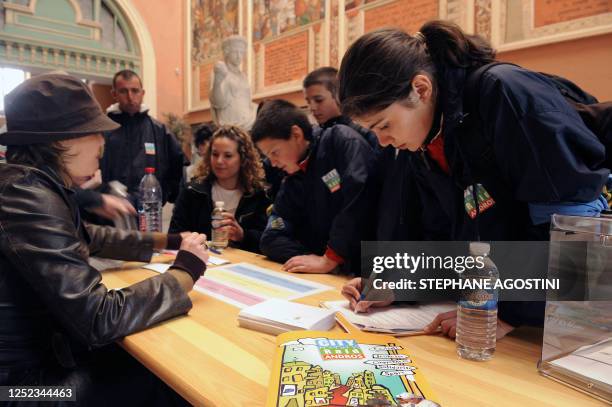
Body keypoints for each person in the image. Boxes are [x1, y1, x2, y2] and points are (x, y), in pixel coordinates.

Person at [337, 22, 609, 338]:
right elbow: (455, 246)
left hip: (577, 324)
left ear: (421, 89)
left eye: (384, 125)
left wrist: (503, 310)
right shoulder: (428, 141)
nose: (382, 141)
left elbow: (575, 237)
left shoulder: (503, 93)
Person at [0, 73, 208, 405]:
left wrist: (166, 241)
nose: (103, 143)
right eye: (95, 133)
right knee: (167, 379)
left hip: (40, 364)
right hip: (24, 390)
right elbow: (98, 317)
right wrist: (184, 273)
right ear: (61, 140)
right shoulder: (27, 193)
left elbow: (88, 236)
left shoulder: (31, 184)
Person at [252, 99, 378, 274]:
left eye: (274, 152)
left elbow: (360, 198)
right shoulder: (292, 178)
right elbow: (272, 237)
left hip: (369, 268)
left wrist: (331, 258)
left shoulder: (339, 141)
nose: (272, 163)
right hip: (332, 271)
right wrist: (314, 260)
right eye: (267, 156)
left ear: (296, 134)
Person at [169, 126, 270, 253]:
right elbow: (174, 235)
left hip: (242, 266)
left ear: (243, 159)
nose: (219, 161)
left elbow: (267, 241)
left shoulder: (258, 195)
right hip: (200, 263)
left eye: (228, 156)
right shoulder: (192, 191)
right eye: (215, 154)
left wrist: (242, 235)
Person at [100, 69, 187, 205]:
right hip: (111, 210)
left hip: (149, 210)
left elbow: (178, 165)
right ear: (114, 94)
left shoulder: (159, 130)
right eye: (123, 91)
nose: (130, 97)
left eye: (135, 91)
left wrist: (165, 193)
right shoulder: (103, 130)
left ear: (142, 93)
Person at [303, 66, 378, 149]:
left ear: (338, 95)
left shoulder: (367, 132)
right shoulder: (313, 139)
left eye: (318, 100)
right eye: (308, 102)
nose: (312, 107)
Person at [210, 35, 256, 129]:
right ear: (227, 52)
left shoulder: (243, 76)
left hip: (247, 124)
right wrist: (218, 82)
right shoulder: (220, 71)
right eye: (235, 52)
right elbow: (218, 103)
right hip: (230, 126)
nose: (239, 56)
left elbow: (247, 101)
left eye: (241, 53)